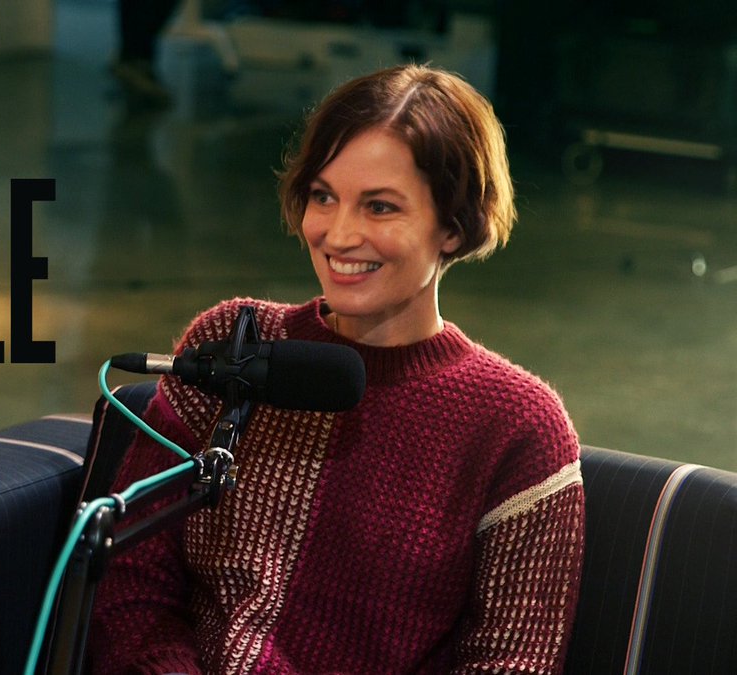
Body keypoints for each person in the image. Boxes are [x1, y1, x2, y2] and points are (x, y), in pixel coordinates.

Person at [87, 64, 585, 674]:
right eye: (324, 197)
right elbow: (131, 582)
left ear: (454, 225)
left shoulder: (517, 425)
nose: (339, 234)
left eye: (380, 207)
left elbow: (513, 662)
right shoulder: (232, 344)